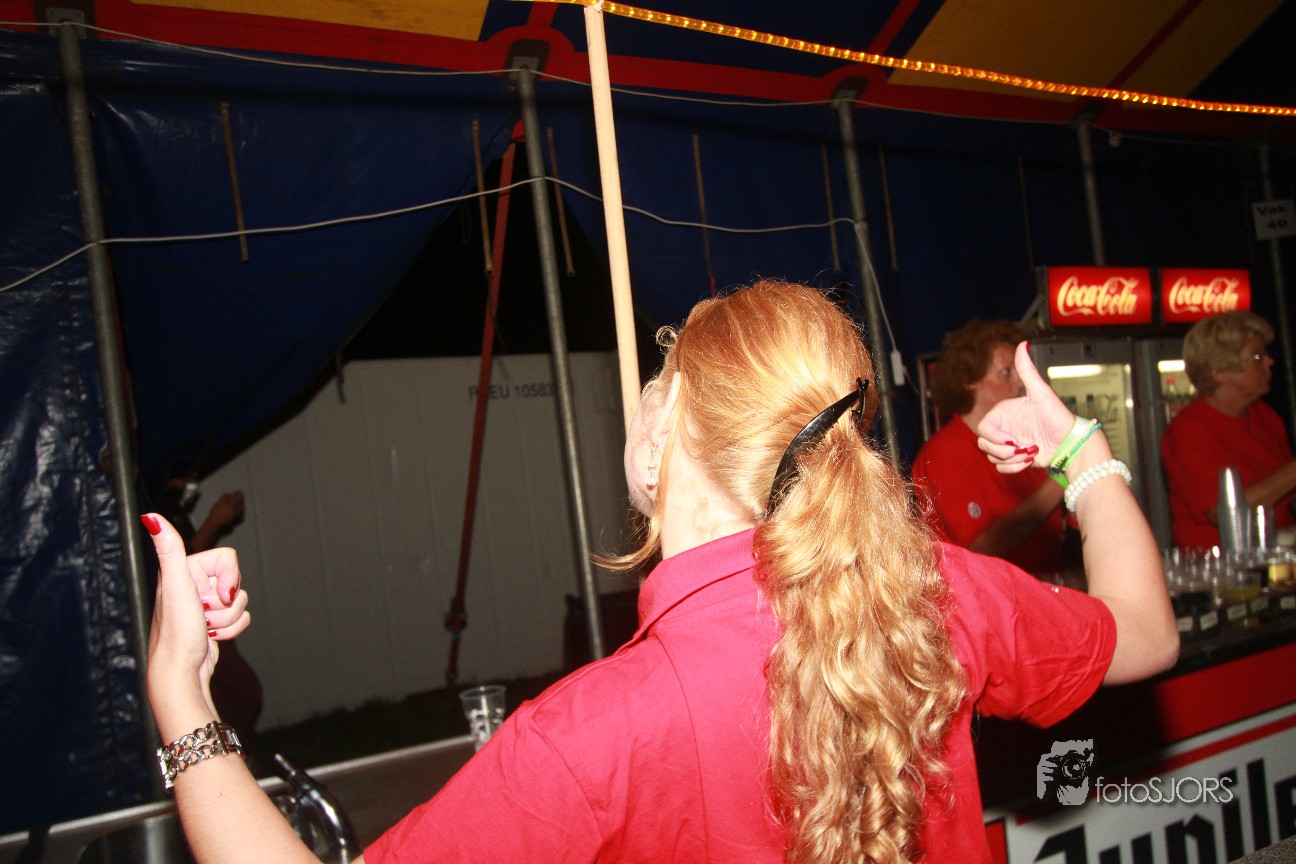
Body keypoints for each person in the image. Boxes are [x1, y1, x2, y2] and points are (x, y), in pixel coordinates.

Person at [143, 280, 1177, 864]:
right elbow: (1145, 631)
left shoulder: (598, 730)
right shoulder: (942, 595)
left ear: (663, 437)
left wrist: (179, 695)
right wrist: (1081, 454)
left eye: (655, 379)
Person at [911, 319, 1066, 573]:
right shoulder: (944, 453)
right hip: (988, 596)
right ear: (969, 380)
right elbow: (983, 546)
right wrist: (1063, 476)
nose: (1020, 383)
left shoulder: (1021, 441)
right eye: (1006, 372)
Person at [1161, 311, 1296, 549]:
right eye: (1257, 356)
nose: (1269, 361)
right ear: (1219, 371)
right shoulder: (1188, 431)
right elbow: (1221, 511)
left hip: (1276, 557)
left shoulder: (1265, 417)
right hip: (1221, 567)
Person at [154, 479, 263, 738]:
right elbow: (177, 566)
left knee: (239, 694)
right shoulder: (152, 500)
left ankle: (237, 753)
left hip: (202, 613)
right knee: (236, 693)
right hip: (181, 619)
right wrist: (214, 522)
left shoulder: (171, 504)